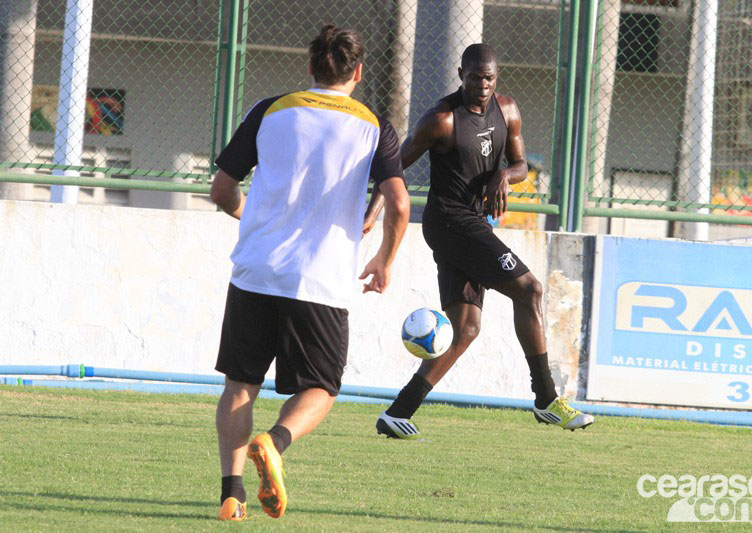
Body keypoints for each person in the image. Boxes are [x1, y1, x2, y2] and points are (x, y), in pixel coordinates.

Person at [210, 25, 410, 521]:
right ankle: (275, 443)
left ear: (310, 67)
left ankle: (231, 496)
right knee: (320, 390)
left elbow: (221, 188)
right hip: (319, 280)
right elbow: (400, 203)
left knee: (241, 384)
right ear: (358, 72)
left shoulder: (270, 109)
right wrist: (383, 258)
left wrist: (247, 217)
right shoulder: (373, 125)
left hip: (255, 270)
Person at [366, 43, 593, 440]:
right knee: (530, 289)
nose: (483, 85)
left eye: (489, 78)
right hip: (450, 222)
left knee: (466, 329)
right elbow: (394, 166)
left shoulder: (507, 109)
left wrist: (503, 175)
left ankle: (398, 412)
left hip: (474, 224)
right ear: (461, 75)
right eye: (475, 78)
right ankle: (546, 399)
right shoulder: (440, 120)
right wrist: (371, 215)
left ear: (497, 77)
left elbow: (521, 165)